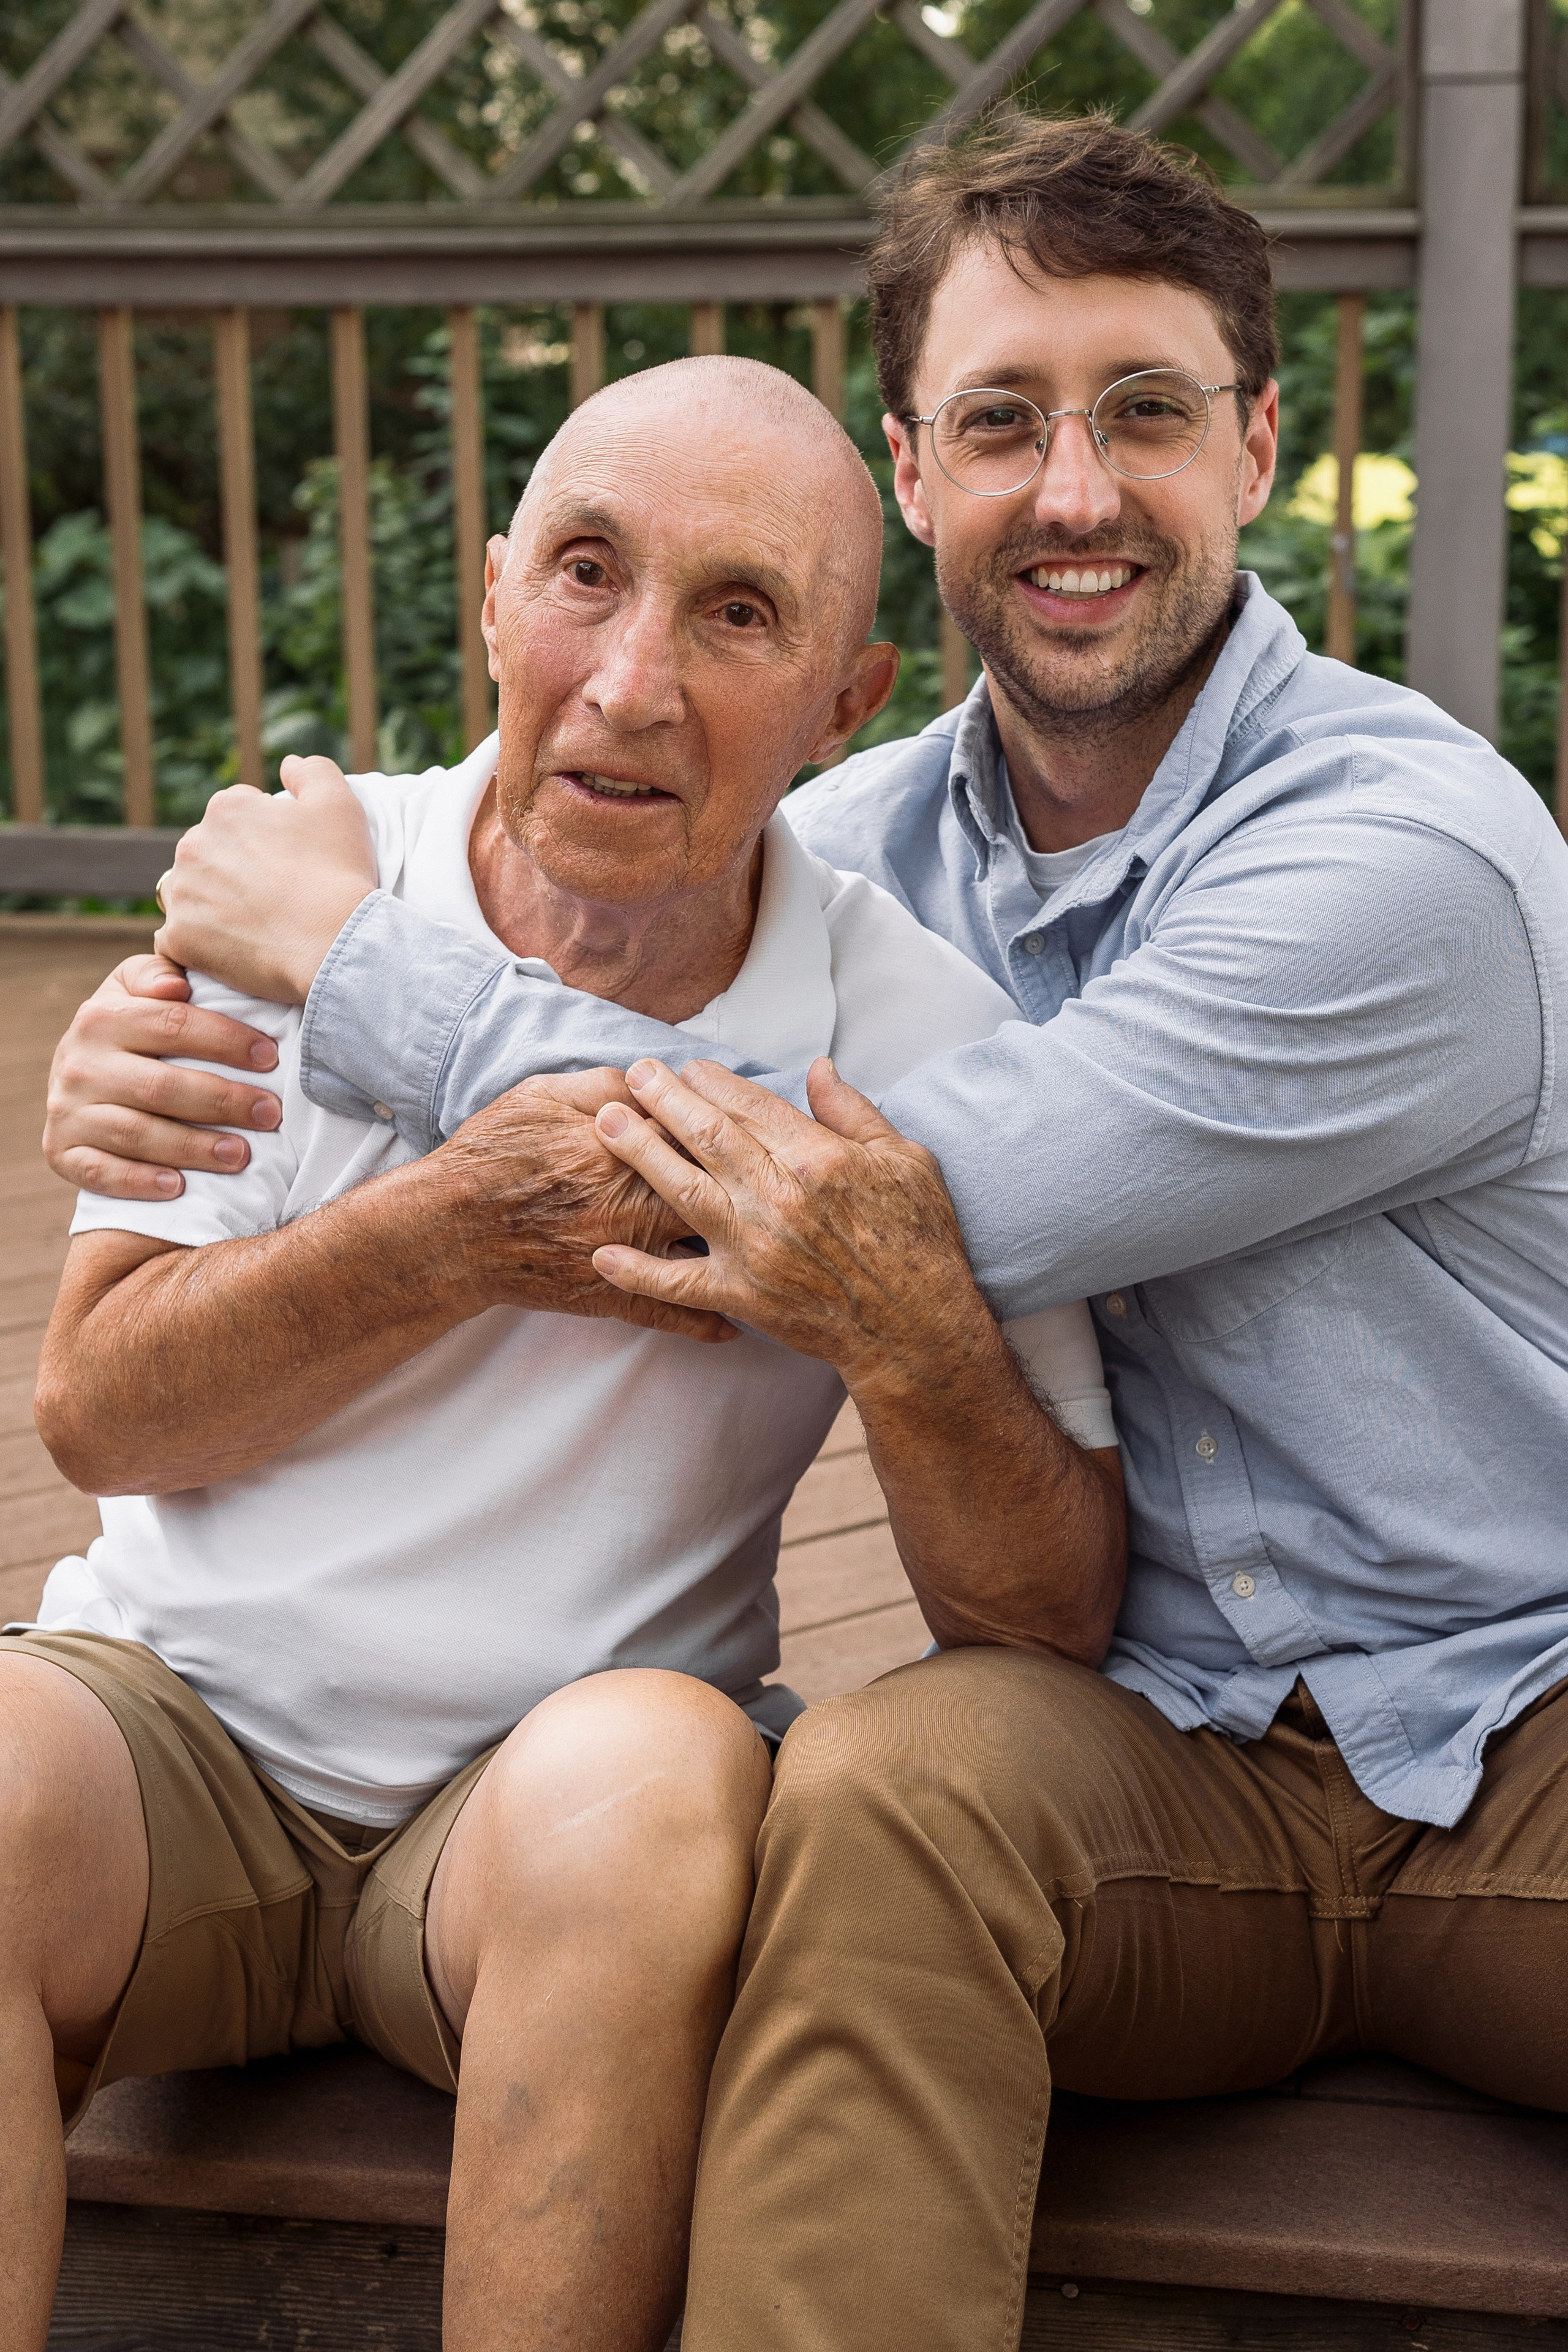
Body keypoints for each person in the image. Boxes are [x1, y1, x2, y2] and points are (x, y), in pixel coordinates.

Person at [45, 110, 1568, 2352]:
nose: (1072, 489)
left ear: (1257, 445)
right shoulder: (839, 836)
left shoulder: (1408, 856)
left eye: (1143, 411)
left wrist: (348, 967)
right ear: (918, 470)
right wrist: (172, 1002)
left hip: (1525, 1713)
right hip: (1163, 1755)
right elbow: (628, 796)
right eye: (1000, 422)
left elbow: (874, 1199)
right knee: (870, 1794)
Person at [10, 353, 1126, 2352]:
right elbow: (98, 1412)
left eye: (738, 615)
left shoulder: (924, 1040)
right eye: (590, 578)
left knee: (654, 1780)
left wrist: (905, 1335)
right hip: (167, 1733)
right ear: (498, 598)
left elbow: (1040, 1612)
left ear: (845, 702)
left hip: (540, 1816)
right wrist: (446, 1237)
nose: (628, 684)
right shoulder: (302, 884)